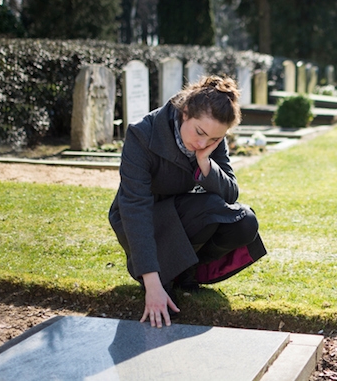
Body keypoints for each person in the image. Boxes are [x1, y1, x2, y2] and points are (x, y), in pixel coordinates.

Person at [108, 75, 266, 328]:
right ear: (184, 113)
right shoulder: (142, 134)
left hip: (187, 213)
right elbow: (135, 210)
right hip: (143, 220)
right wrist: (152, 284)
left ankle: (184, 273)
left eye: (214, 139)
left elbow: (230, 193)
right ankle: (161, 277)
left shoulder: (212, 135)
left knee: (244, 222)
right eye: (199, 133)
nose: (203, 143)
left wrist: (205, 162)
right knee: (210, 208)